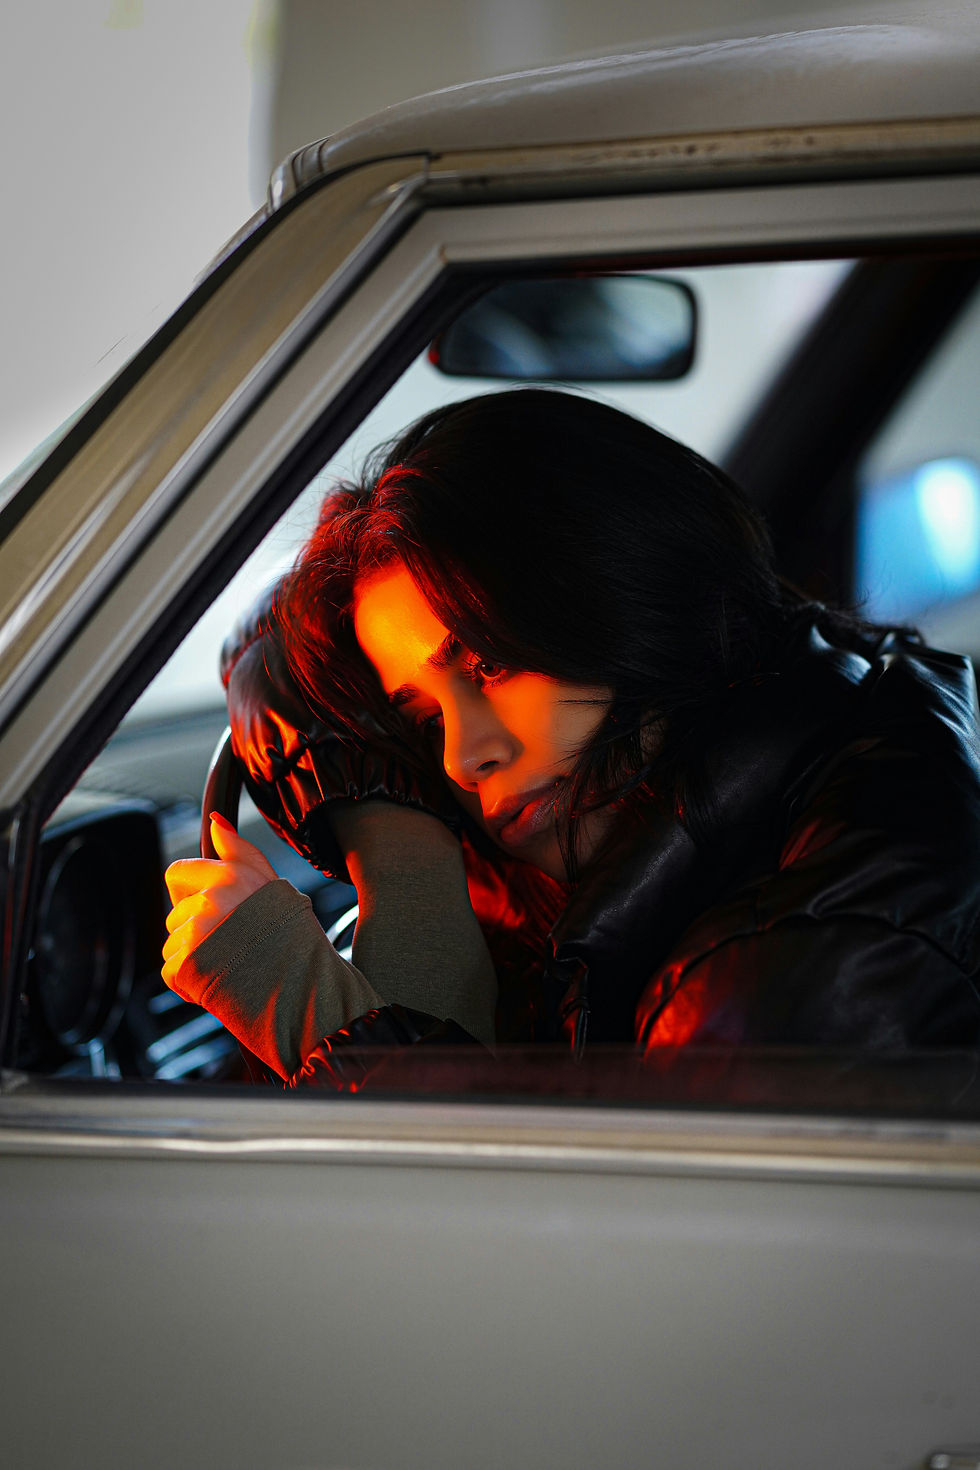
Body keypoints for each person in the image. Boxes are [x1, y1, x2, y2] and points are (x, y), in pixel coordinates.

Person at [162, 389, 980, 1085]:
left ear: (628, 594)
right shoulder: (831, 713)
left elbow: (577, 1265)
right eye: (422, 719)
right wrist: (398, 842)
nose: (458, 757)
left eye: (485, 666)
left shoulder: (785, 979)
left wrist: (306, 1008)